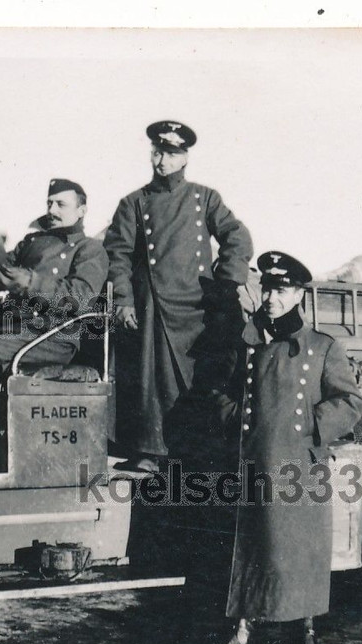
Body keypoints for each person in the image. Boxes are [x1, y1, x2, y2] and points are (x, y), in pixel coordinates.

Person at [207, 252, 362, 644]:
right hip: (255, 458)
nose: (272, 297)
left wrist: (308, 427)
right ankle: (240, 630)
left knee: (300, 550)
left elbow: (349, 401)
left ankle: (305, 634)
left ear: (298, 294)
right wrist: (238, 418)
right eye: (268, 288)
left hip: (301, 465)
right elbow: (219, 391)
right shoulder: (247, 343)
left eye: (281, 290)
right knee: (253, 545)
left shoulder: (322, 347)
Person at [104, 120, 254, 472]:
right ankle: (150, 451)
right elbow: (118, 255)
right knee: (153, 380)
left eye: (171, 154)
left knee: (205, 376)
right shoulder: (133, 203)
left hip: (200, 306)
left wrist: (226, 284)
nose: (162, 161)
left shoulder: (204, 198)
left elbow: (237, 237)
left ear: (184, 158)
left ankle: (200, 451)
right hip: (154, 304)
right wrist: (123, 299)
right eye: (158, 152)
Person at [0, 178, 108, 466]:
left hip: (53, 335)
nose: (52, 209)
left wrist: (31, 281)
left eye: (60, 204)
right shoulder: (32, 242)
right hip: (11, 330)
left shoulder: (89, 250)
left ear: (82, 210)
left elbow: (80, 297)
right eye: (49, 203)